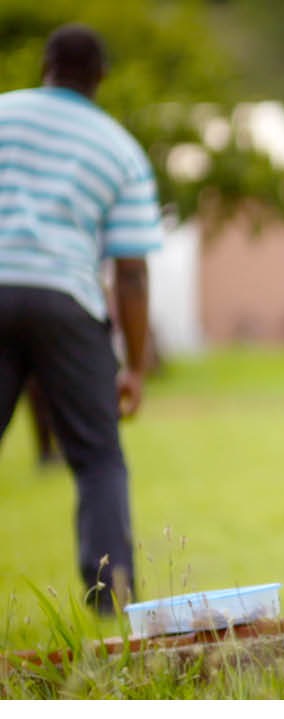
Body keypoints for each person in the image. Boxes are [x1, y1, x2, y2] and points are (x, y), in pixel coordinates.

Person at [0, 24, 160, 613]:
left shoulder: (3, 114)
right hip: (66, 299)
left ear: (44, 65)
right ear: (101, 79)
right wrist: (134, 368)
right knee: (97, 458)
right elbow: (132, 272)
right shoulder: (117, 147)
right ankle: (111, 602)